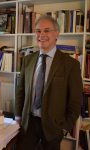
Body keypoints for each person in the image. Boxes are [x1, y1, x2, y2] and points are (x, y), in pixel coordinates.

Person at [15, 15, 83, 150]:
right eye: (38, 31)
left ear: (56, 34)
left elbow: (75, 100)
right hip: (28, 123)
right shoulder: (27, 60)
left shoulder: (71, 64)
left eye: (46, 30)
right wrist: (18, 117)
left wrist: (65, 127)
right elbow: (20, 90)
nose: (42, 35)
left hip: (54, 127)